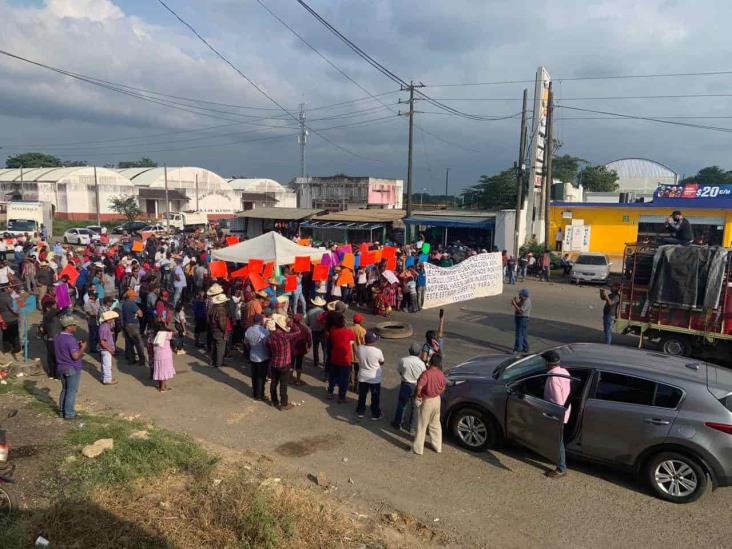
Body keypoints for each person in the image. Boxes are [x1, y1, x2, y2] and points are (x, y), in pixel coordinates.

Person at [541, 350, 572, 478]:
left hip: (557, 414)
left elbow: (557, 401)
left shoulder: (553, 378)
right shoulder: (564, 372)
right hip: (566, 410)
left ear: (548, 363)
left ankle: (561, 468)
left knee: (557, 441)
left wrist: (551, 415)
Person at [412, 353, 447, 455]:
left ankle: (418, 449)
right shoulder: (441, 374)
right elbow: (444, 386)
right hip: (437, 400)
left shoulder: (426, 374)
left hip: (427, 400)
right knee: (435, 424)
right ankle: (437, 446)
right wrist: (438, 392)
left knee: (422, 425)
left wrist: (418, 396)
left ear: (430, 362)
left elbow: (419, 387)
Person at [55, 315, 86, 420]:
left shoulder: (58, 337)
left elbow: (64, 348)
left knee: (64, 390)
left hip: (61, 367)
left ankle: (62, 411)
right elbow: (75, 356)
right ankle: (69, 414)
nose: (76, 326)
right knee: (71, 391)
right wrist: (82, 348)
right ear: (68, 326)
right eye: (74, 325)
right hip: (72, 368)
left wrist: (76, 346)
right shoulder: (70, 339)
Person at [391, 342, 426, 433]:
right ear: (419, 353)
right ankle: (412, 427)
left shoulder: (403, 360)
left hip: (405, 384)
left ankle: (398, 423)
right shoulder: (421, 364)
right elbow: (423, 376)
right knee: (415, 407)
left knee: (402, 405)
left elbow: (399, 371)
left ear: (409, 351)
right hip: (416, 386)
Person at [266, 314, 299, 410]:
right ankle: (283, 404)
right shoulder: (285, 336)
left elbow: (268, 348)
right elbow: (298, 331)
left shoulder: (270, 337)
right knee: (283, 385)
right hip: (285, 364)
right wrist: (291, 323)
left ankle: (274, 401)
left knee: (274, 383)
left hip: (274, 363)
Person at [355, 331, 385, 420]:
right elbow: (382, 362)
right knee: (375, 396)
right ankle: (375, 414)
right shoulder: (378, 351)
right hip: (374, 378)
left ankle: (360, 411)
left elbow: (358, 356)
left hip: (363, 376)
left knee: (362, 394)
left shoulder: (360, 348)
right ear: (373, 341)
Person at [327, 315, 356, 403]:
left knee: (332, 377)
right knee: (344, 379)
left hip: (334, 357)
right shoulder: (348, 331)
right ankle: (341, 396)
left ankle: (330, 392)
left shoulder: (333, 331)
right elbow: (352, 342)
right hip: (345, 359)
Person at [245, 313, 270, 401]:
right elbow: (267, 344)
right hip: (262, 357)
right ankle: (260, 395)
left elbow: (246, 342)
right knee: (261, 377)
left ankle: (255, 393)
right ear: (261, 321)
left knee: (254, 376)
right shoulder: (264, 331)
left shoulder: (248, 330)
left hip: (253, 356)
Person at [121, 289, 146, 365]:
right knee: (139, 343)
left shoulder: (124, 303)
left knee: (129, 343)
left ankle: (131, 359)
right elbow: (140, 314)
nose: (135, 298)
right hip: (133, 325)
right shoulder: (132, 304)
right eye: (134, 296)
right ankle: (142, 360)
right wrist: (137, 313)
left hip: (126, 325)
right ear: (131, 297)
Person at [153, 321, 176, 392]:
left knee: (160, 371)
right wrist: (168, 328)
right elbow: (175, 332)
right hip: (165, 356)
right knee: (164, 372)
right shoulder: (166, 334)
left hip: (158, 356)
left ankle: (162, 385)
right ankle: (162, 388)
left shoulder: (156, 334)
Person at [208, 293, 229, 368]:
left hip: (213, 329)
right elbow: (222, 324)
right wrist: (225, 331)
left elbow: (209, 319)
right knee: (220, 348)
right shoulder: (221, 310)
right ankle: (219, 363)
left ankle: (212, 362)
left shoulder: (213, 308)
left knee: (214, 346)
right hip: (219, 331)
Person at [0, 283, 21, 359]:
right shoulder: (7, 297)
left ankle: (7, 348)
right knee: (15, 334)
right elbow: (13, 308)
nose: (10, 289)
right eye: (9, 288)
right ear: (5, 289)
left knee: (5, 334)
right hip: (11, 318)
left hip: (3, 318)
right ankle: (16, 349)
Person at [98, 310, 119, 385]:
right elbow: (103, 342)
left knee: (105, 364)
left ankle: (104, 377)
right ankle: (107, 379)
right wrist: (110, 349)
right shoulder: (105, 328)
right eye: (112, 319)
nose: (113, 320)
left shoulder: (104, 326)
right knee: (107, 365)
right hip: (106, 349)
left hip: (105, 349)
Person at [291, 313, 311, 386]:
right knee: (299, 365)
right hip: (300, 349)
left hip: (291, 349)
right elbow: (309, 339)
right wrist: (309, 346)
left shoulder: (290, 328)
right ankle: (298, 380)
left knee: (291, 364)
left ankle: (290, 379)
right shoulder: (305, 328)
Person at [306, 296, 327, 368]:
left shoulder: (310, 311)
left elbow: (307, 323)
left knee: (315, 347)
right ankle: (325, 362)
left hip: (314, 331)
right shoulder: (323, 312)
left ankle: (316, 362)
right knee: (324, 348)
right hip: (322, 331)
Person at [349, 313, 367, 391]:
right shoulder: (363, 330)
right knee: (358, 371)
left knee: (351, 371)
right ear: (360, 321)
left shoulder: (349, 329)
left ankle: (351, 385)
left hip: (350, 353)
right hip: (359, 354)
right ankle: (357, 387)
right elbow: (364, 342)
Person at [512, 288, 531, 353]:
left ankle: (518, 349)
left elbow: (521, 311)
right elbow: (519, 306)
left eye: (520, 295)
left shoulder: (526, 302)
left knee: (519, 334)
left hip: (522, 318)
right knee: (523, 334)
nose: (519, 295)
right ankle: (525, 348)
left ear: (524, 296)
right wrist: (515, 303)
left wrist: (514, 304)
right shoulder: (523, 300)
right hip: (521, 318)